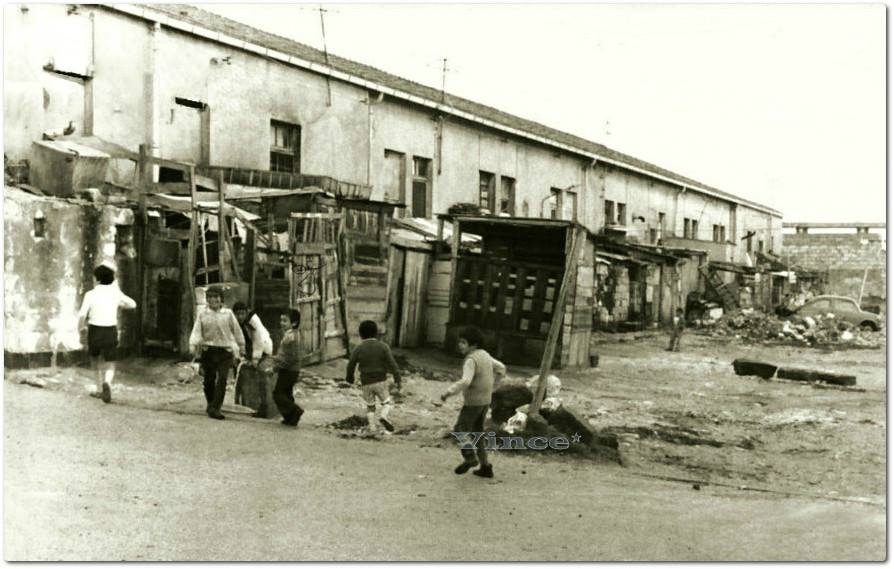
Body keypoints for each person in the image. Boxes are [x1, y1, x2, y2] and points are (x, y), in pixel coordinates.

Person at [439, 326, 506, 479]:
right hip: (485, 401)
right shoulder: (485, 355)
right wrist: (493, 386)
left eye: (463, 342)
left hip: (473, 402)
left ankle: (470, 457)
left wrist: (448, 392)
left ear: (473, 344)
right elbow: (502, 368)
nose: (460, 345)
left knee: (460, 430)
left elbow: (466, 381)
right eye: (460, 342)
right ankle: (486, 467)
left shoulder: (471, 360)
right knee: (478, 434)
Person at [77, 263, 137, 404]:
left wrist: (81, 330)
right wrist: (119, 299)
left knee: (94, 359)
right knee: (110, 361)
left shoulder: (90, 294)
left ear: (97, 279)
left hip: (94, 329)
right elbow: (132, 304)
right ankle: (108, 383)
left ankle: (98, 389)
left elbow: (81, 315)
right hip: (110, 329)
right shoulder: (115, 294)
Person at [189, 287, 245, 420]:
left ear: (221, 299)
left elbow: (237, 330)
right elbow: (197, 330)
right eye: (210, 297)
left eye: (216, 297)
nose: (213, 300)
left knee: (222, 379)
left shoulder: (228, 313)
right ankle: (211, 404)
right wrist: (193, 344)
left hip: (225, 351)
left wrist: (241, 346)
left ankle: (215, 408)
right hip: (208, 351)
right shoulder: (203, 314)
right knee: (209, 380)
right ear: (207, 300)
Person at [346, 320, 402, 433]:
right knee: (386, 402)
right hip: (380, 380)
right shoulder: (383, 347)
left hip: (366, 382)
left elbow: (351, 364)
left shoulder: (358, 348)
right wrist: (398, 379)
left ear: (361, 334)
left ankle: (372, 427)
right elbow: (393, 364)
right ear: (376, 333)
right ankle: (383, 416)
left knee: (370, 406)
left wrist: (349, 377)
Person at [233, 302, 274, 415]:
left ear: (247, 312)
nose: (240, 316)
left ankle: (264, 407)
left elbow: (258, 340)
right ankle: (240, 402)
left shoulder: (253, 321)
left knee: (261, 372)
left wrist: (256, 358)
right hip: (249, 349)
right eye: (237, 314)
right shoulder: (235, 322)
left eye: (242, 313)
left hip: (264, 349)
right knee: (240, 371)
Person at [273, 309, 304, 427]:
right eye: (281, 320)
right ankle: (291, 418)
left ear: (294, 323)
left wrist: (275, 368)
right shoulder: (291, 335)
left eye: (285, 321)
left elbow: (291, 357)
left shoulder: (291, 337)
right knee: (286, 393)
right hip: (291, 369)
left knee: (278, 393)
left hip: (289, 370)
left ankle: (295, 411)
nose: (281, 323)